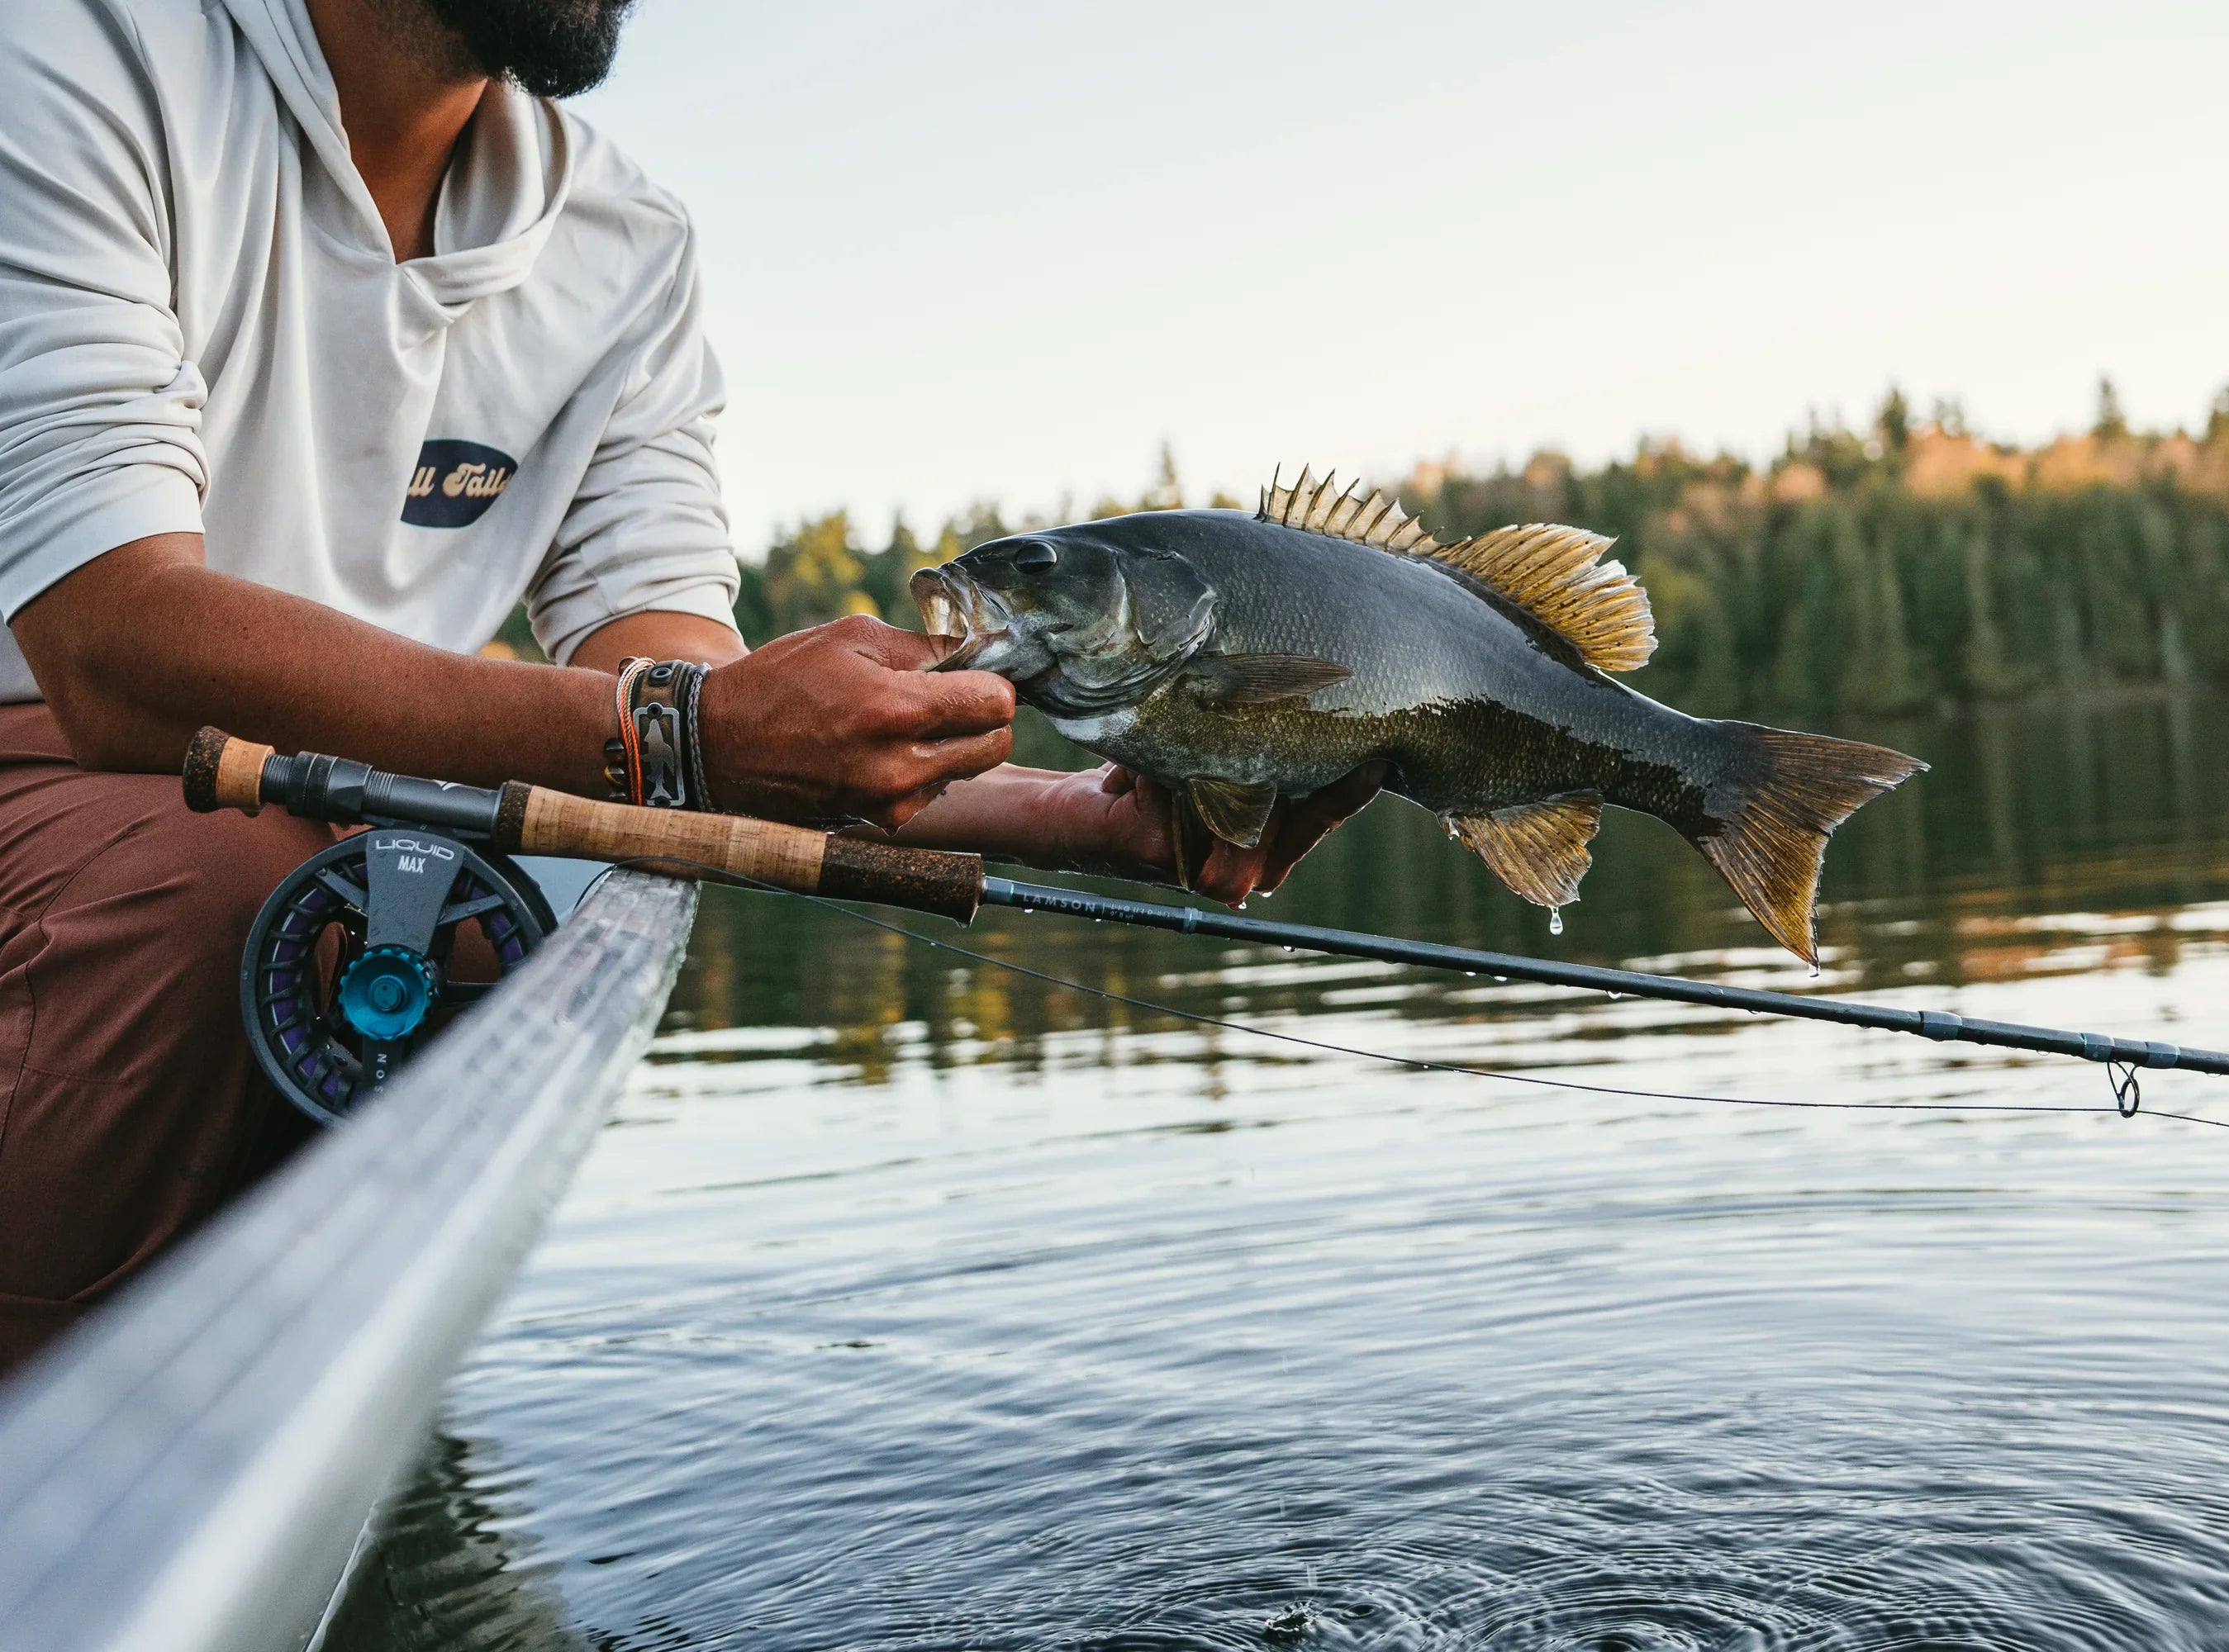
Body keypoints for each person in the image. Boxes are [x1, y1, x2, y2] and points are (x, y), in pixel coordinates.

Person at [0, 0, 1379, 1375]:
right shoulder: (71, 52)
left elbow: (691, 708)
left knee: (526, 928)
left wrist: (1071, 808)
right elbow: (110, 647)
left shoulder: (625, 240)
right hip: (58, 770)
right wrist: (679, 734)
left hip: (344, 819)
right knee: (217, 904)